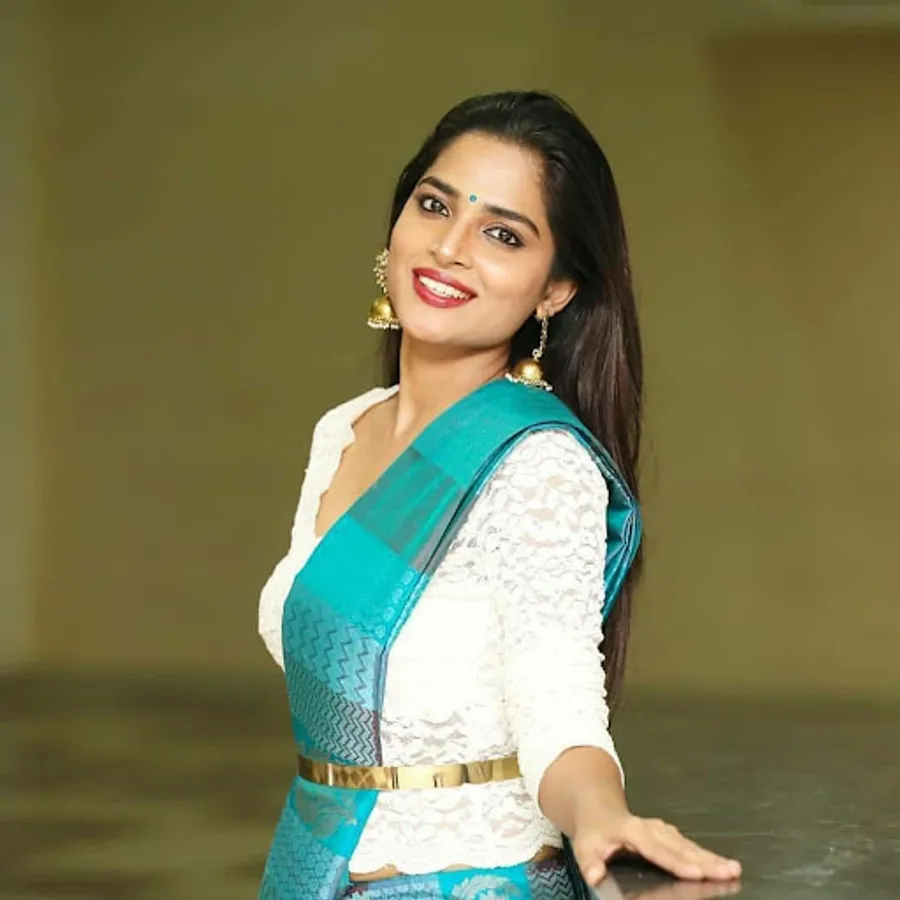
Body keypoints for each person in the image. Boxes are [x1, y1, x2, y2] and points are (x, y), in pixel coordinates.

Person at [257, 91, 742, 900]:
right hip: (310, 873)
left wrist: (601, 813)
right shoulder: (342, 432)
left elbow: (558, 699)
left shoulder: (537, 463)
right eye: (434, 205)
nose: (449, 248)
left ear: (556, 289)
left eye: (503, 234)